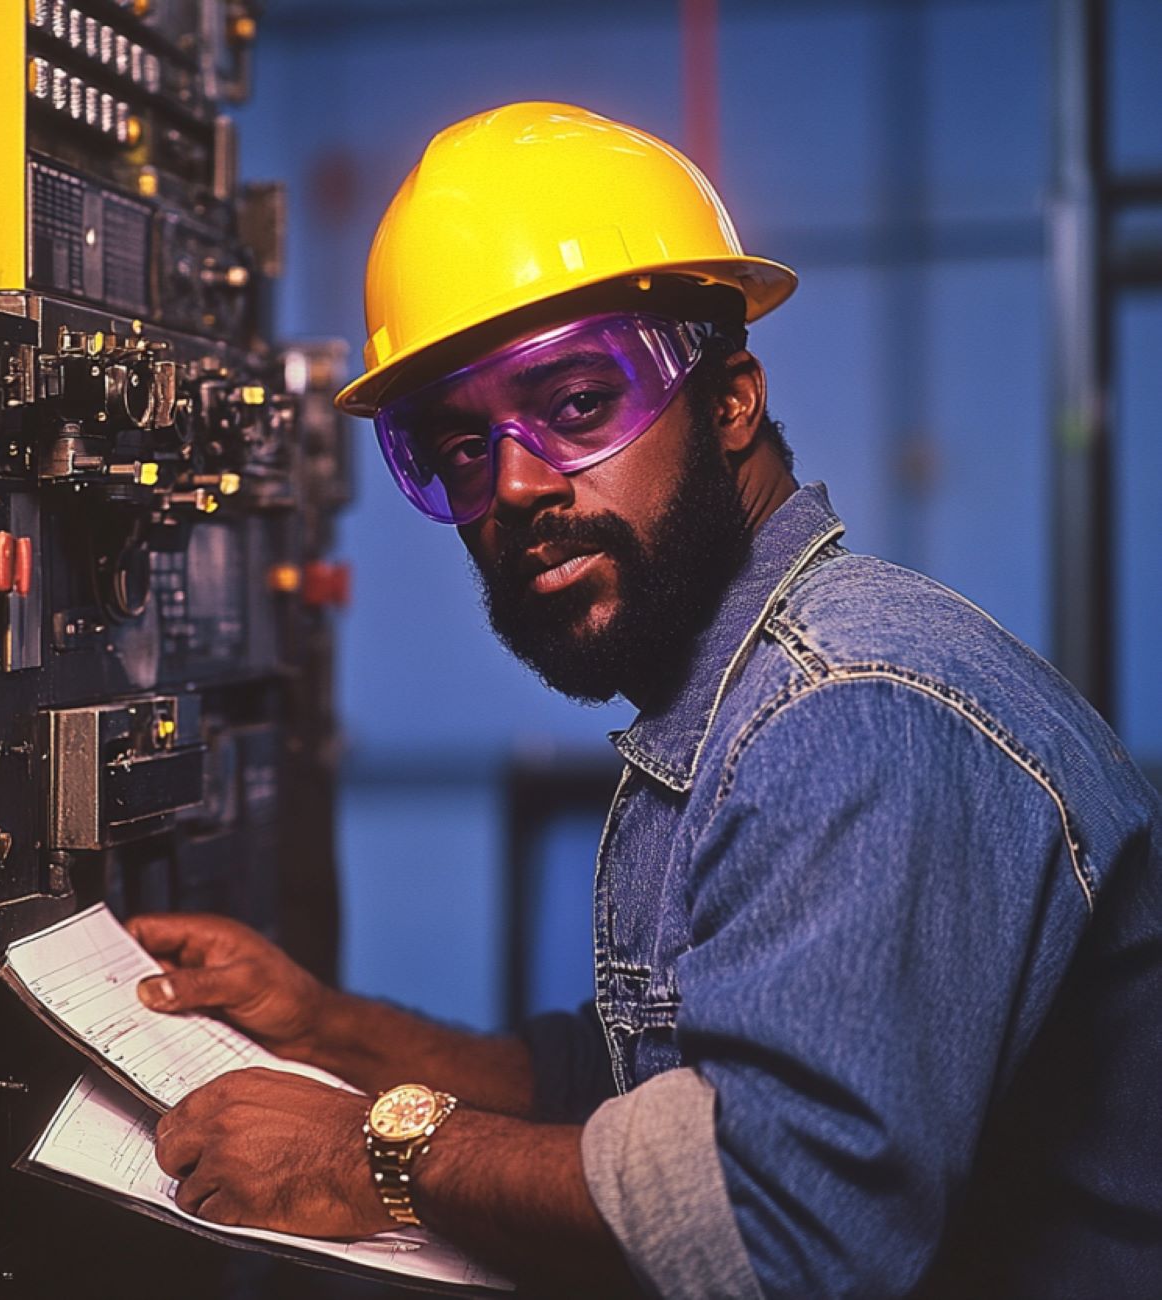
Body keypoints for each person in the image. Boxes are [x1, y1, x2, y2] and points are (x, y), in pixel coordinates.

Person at [129, 103, 1162, 1298]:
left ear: (727, 400)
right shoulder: (733, 693)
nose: (513, 485)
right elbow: (632, 1084)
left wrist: (374, 1155)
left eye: (575, 406)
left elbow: (774, 1230)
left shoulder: (842, 713)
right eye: (460, 449)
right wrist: (324, 1030)